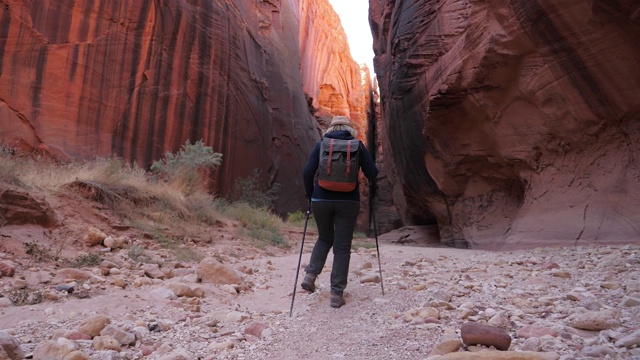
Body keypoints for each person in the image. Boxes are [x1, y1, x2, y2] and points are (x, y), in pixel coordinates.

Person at [301, 115, 378, 308]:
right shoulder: (357, 145)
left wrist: (310, 195)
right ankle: (336, 294)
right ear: (349, 129)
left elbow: (307, 172)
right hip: (348, 201)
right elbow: (373, 173)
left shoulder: (321, 145)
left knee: (325, 238)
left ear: (331, 129)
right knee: (342, 247)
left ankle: (311, 275)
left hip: (320, 199)